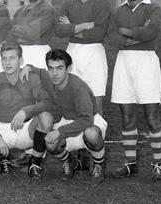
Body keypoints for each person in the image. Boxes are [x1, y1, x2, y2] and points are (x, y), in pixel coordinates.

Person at [106, 0, 161, 181]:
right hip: (124, 62)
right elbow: (112, 36)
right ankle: (130, 164)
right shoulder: (117, 11)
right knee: (127, 116)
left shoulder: (153, 8)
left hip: (146, 62)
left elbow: (152, 31)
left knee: (152, 116)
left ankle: (158, 165)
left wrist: (127, 31)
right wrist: (136, 34)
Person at [25, 49, 107, 183]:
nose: (54, 73)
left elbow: (86, 120)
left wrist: (59, 131)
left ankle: (99, 164)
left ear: (69, 69)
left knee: (91, 134)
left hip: (88, 121)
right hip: (67, 119)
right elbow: (39, 72)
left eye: (59, 68)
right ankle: (69, 161)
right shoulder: (49, 77)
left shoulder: (78, 89)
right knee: (50, 142)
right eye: (51, 68)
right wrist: (28, 68)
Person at [0, 43, 52, 175]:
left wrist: (25, 111)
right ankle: (0, 157)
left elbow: (47, 103)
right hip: (3, 130)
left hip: (26, 129)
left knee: (46, 118)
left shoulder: (31, 78)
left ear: (21, 60)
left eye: (12, 58)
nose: (7, 63)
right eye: (4, 58)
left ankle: (35, 162)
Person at [55, 0, 111, 114]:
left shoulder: (102, 3)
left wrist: (71, 28)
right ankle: (74, 129)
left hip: (95, 52)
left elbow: (98, 33)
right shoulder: (68, 3)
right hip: (72, 51)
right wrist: (84, 26)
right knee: (71, 98)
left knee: (95, 100)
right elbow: (59, 30)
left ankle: (96, 128)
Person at [9, 0, 56, 69]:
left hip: (39, 57)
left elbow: (31, 33)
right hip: (19, 56)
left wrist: (15, 29)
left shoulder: (48, 10)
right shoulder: (19, 12)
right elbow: (11, 37)